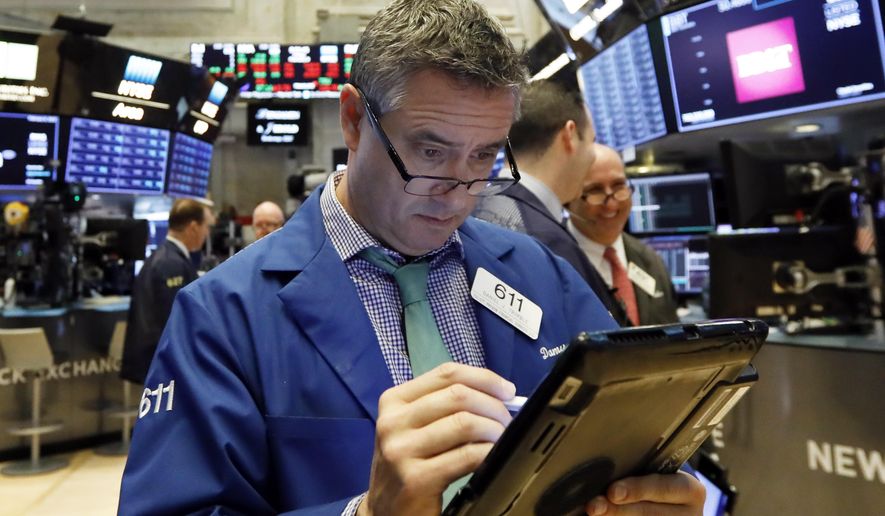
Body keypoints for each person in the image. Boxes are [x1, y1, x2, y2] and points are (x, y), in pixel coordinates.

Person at [118, 2, 704, 515]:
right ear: (353, 119)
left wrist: (651, 496)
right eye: (431, 151)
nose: (458, 191)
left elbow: (622, 446)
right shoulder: (221, 316)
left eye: (484, 157)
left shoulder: (541, 275)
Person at [472, 79, 629, 326]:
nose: (591, 156)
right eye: (590, 141)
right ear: (569, 135)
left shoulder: (477, 208)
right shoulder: (544, 240)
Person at [567, 143, 679, 326]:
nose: (611, 205)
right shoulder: (556, 262)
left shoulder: (651, 260)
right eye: (595, 190)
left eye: (619, 186)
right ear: (569, 197)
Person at [120, 198, 215, 385]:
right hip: (163, 364)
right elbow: (175, 321)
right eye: (206, 227)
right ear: (194, 227)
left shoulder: (163, 257)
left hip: (157, 360)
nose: (207, 233)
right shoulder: (171, 264)